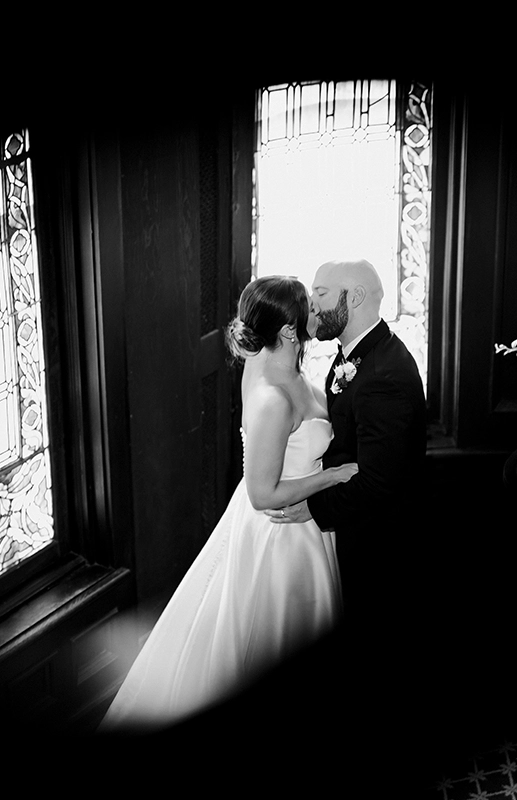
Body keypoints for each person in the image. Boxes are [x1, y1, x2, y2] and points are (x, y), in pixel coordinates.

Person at [98, 275, 357, 732]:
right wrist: (332, 477)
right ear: (290, 330)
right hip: (281, 535)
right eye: (310, 309)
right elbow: (262, 495)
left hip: (308, 524)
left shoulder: (279, 366)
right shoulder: (272, 398)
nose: (317, 313)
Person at [267, 259, 426, 631]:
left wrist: (312, 507)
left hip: (378, 545)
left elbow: (378, 482)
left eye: (321, 293)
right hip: (355, 526)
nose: (311, 304)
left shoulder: (383, 375)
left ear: (354, 297)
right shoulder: (358, 353)